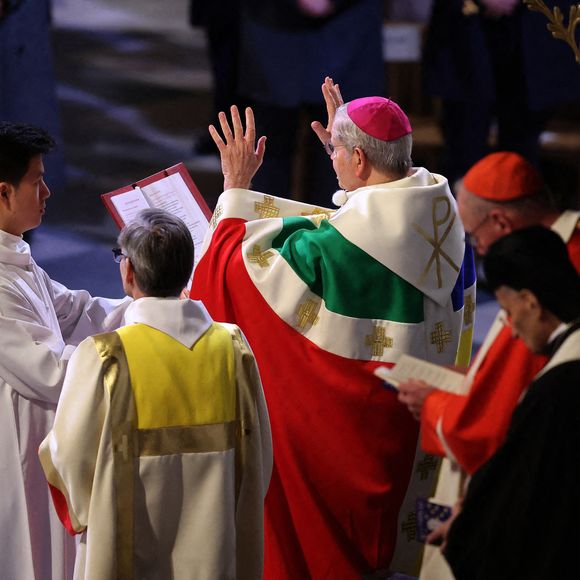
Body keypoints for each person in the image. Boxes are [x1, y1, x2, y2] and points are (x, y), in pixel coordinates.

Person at [191, 77, 475, 578]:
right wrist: (350, 152)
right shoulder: (444, 223)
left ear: (361, 160)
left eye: (340, 151)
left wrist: (236, 189)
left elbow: (233, 275)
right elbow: (370, 215)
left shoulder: (333, 252)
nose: (334, 157)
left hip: (344, 435)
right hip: (406, 423)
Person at [39, 209, 273, 580]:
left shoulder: (105, 356)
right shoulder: (232, 348)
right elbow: (258, 459)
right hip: (212, 550)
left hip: (125, 547)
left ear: (128, 272)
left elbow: (68, 455)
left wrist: (89, 509)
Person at [396, 151, 580, 580]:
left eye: (474, 238)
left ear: (500, 223)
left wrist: (437, 406)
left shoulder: (546, 271)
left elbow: (502, 418)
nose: (475, 247)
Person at [0, 122, 130, 580]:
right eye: (37, 181)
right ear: (4, 193)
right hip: (18, 445)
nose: (49, 191)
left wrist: (149, 305)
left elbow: (77, 310)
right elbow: (50, 372)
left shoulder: (13, 254)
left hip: (42, 437)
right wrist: (142, 346)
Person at [444, 226, 580, 579]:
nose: (511, 327)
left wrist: (466, 526)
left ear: (531, 303)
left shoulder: (558, 390)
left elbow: (526, 502)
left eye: (507, 311)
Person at [238, 0, 385, 205]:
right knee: (270, 143)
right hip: (275, 27)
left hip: (349, 24)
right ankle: (266, 228)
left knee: (347, 139)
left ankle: (339, 227)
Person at [423, 0, 580, 188]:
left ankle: (519, 206)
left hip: (536, 32)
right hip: (463, 35)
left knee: (522, 157)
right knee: (464, 147)